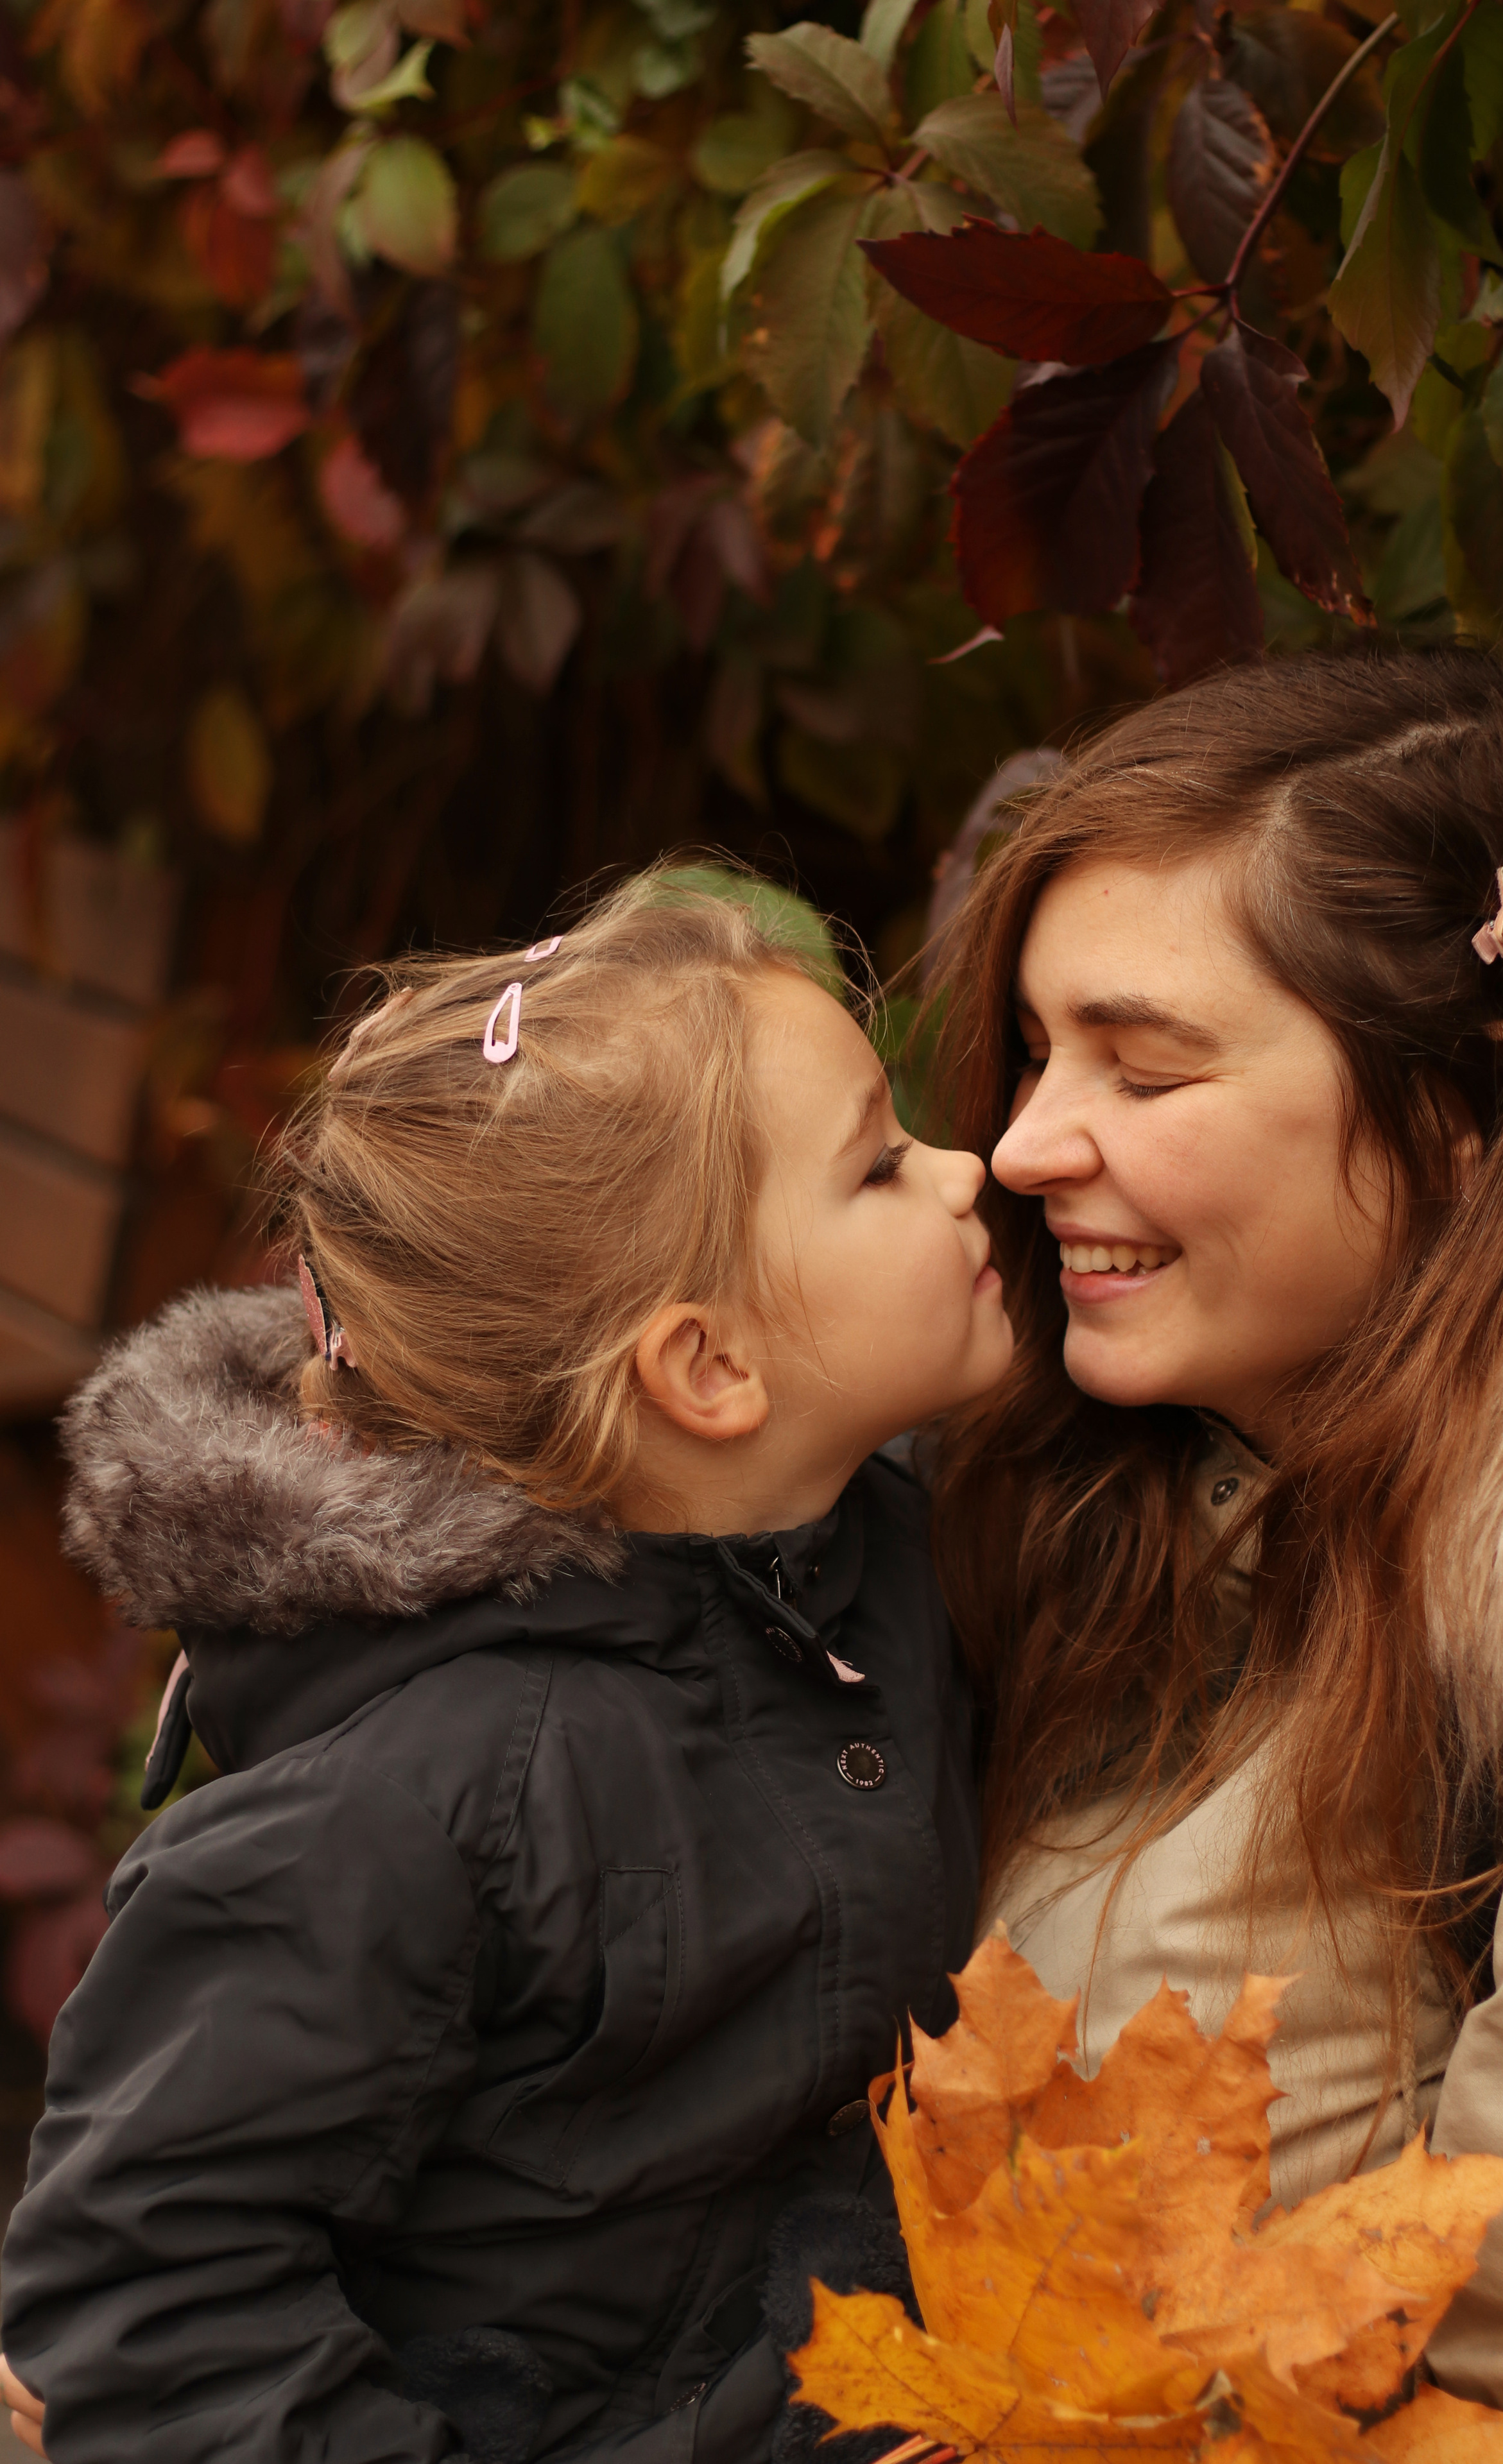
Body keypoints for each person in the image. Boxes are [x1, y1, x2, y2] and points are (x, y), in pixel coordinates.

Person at [0, 876, 1012, 2464]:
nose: (971, 1171)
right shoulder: (412, 1799)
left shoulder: (878, 1548)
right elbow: (150, 2292)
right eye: (880, 1165)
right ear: (708, 1367)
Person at [925, 644, 1503, 2464]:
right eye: (1029, 1052)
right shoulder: (1051, 1505)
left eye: (1145, 1072)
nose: (1019, 1146)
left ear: (1462, 1110)